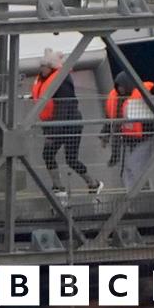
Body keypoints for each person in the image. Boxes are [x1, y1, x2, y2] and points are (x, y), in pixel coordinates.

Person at [34, 49, 102, 197]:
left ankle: (93, 183)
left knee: (71, 158)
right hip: (54, 125)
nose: (41, 69)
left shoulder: (61, 81)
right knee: (48, 154)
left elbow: (64, 108)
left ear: (51, 67)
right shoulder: (44, 80)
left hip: (70, 125)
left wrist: (52, 132)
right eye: (41, 66)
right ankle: (58, 186)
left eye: (44, 66)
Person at [103, 72, 154, 191]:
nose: (120, 88)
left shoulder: (143, 97)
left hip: (143, 139)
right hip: (127, 140)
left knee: (136, 168)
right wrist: (105, 134)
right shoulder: (117, 99)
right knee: (127, 170)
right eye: (118, 86)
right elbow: (111, 119)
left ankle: (141, 196)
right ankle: (132, 197)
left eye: (122, 85)